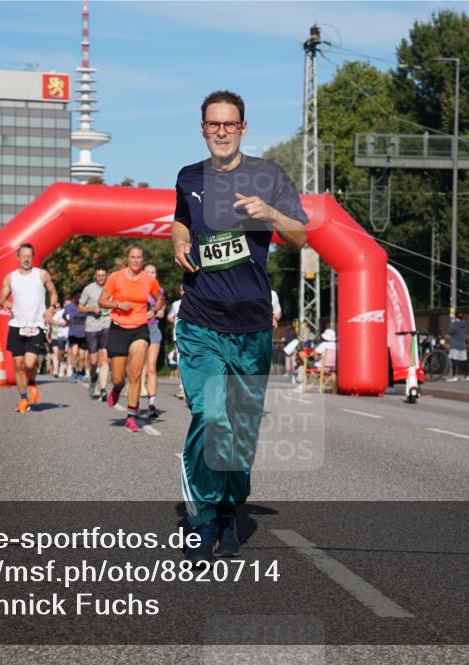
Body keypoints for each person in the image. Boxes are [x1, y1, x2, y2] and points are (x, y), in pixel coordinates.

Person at [172, 90, 307, 564]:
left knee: (240, 432)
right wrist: (179, 240)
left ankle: (230, 507)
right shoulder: (189, 177)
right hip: (200, 319)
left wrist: (269, 213)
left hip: (250, 325)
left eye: (230, 124)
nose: (222, 131)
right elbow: (181, 223)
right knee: (212, 416)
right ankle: (203, 517)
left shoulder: (268, 176)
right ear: (203, 128)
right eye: (214, 124)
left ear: (243, 128)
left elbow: (301, 235)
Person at [100, 245, 165, 433]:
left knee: (135, 374)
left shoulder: (149, 279)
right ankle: (117, 388)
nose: (136, 260)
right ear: (127, 258)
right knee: (119, 378)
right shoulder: (115, 277)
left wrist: (154, 310)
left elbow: (159, 298)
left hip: (140, 329)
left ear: (142, 260)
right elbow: (102, 301)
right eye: (133, 257)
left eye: (139, 257)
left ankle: (132, 415)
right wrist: (118, 303)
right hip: (119, 328)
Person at [0, 243, 58, 413]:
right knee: (18, 365)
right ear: (18, 258)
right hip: (17, 325)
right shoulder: (10, 277)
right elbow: (1, 298)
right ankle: (23, 399)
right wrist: (6, 302)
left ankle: (32, 382)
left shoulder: (42, 275)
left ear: (33, 257)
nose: (26, 258)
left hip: (36, 325)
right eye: (23, 255)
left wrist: (51, 308)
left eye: (29, 256)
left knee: (30, 363)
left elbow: (53, 293)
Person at [80, 266, 112, 399]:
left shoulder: (111, 288)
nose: (100, 278)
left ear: (106, 276)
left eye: (103, 275)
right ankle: (93, 378)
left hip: (107, 325)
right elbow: (80, 307)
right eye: (98, 275)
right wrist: (91, 308)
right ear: (95, 276)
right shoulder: (88, 289)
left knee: (104, 357)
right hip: (92, 327)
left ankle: (103, 389)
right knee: (93, 360)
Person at [140, 263, 165, 418]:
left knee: (151, 366)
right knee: (137, 366)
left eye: (153, 272)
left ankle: (151, 404)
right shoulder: (137, 288)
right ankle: (134, 400)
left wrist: (159, 311)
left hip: (153, 329)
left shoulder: (159, 291)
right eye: (148, 272)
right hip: (137, 329)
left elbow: (161, 304)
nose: (150, 275)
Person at [64, 290, 88, 382]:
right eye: (77, 296)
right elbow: (64, 315)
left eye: (80, 297)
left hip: (83, 334)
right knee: (74, 354)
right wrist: (68, 321)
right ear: (74, 297)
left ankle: (80, 373)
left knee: (82, 357)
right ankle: (74, 372)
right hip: (73, 333)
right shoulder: (69, 307)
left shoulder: (84, 307)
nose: (78, 298)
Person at [167, 285, 185, 398]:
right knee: (180, 360)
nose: (184, 291)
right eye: (182, 289)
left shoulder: (198, 302)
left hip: (193, 335)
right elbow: (169, 316)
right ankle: (182, 387)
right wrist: (177, 321)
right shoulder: (176, 304)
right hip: (178, 335)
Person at [447, 310, 469, 381]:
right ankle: (466, 376)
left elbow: (450, 332)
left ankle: (454, 376)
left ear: (456, 316)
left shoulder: (454, 324)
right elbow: (466, 332)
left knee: (454, 361)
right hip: (463, 345)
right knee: (464, 361)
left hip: (455, 344)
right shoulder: (465, 325)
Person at [50, 298, 70, 378]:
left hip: (70, 335)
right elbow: (50, 323)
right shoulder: (58, 313)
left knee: (69, 353)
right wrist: (61, 323)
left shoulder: (73, 312)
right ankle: (58, 368)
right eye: (55, 307)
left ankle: (67, 368)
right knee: (58, 353)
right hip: (57, 335)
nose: (56, 309)